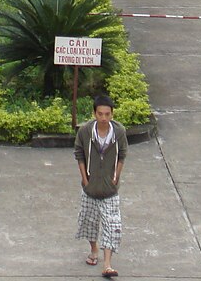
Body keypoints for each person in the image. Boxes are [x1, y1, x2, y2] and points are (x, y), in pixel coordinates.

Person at [74, 94, 127, 279]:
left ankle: (107, 264)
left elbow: (122, 155)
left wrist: (116, 177)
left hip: (110, 190)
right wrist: (85, 180)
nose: (104, 118)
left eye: (107, 114)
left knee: (113, 225)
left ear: (112, 114)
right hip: (90, 188)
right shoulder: (86, 132)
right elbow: (79, 153)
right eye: (100, 114)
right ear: (94, 114)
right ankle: (94, 249)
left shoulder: (119, 132)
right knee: (89, 222)